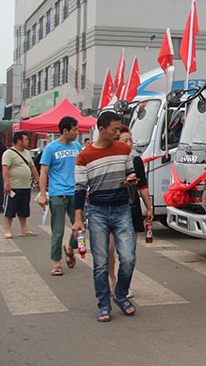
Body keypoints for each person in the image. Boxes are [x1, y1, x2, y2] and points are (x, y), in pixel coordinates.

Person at [72, 111, 152, 322]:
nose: (118, 133)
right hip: (97, 212)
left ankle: (120, 294)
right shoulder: (84, 156)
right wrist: (78, 218)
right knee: (100, 262)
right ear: (101, 129)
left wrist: (131, 179)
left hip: (122, 209)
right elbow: (80, 189)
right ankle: (103, 304)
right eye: (114, 129)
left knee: (128, 258)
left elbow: (130, 174)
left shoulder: (124, 149)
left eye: (120, 129)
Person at [107, 126, 151, 298]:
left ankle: (125, 284)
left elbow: (143, 186)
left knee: (129, 251)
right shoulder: (110, 160)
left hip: (131, 208)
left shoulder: (136, 161)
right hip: (111, 207)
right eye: (125, 140)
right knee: (110, 247)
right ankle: (112, 279)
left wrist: (149, 207)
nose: (129, 143)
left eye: (131, 140)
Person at [37, 116, 82, 276]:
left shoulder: (77, 146)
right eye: (75, 129)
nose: (77, 132)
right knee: (57, 231)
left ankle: (70, 247)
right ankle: (56, 263)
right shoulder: (51, 148)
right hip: (57, 194)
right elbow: (43, 172)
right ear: (65, 131)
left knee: (80, 227)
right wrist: (43, 195)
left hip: (76, 193)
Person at [2, 132, 41, 238]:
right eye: (26, 140)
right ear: (19, 141)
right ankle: (8, 230)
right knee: (10, 209)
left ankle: (24, 229)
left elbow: (33, 168)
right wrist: (7, 184)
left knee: (24, 209)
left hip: (26, 186)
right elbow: (5, 169)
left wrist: (38, 180)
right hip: (14, 187)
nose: (28, 142)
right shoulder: (9, 153)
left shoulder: (27, 153)